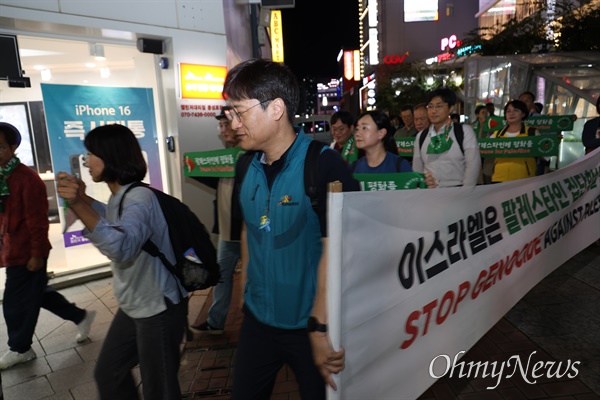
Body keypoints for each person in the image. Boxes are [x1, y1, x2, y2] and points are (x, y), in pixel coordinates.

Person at [222, 58, 358, 400]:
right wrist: (243, 297)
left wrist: (319, 324)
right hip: (258, 321)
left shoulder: (324, 165)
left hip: (310, 328)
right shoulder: (244, 165)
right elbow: (249, 232)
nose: (232, 123)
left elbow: (339, 249)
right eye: (229, 113)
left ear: (276, 109)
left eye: (239, 111)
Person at [57, 124, 187, 400]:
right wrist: (82, 198)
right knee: (109, 373)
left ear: (111, 156)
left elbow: (122, 247)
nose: (86, 160)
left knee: (159, 390)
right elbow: (111, 219)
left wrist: (79, 205)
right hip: (136, 305)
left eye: (91, 153)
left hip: (158, 308)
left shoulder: (140, 197)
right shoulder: (122, 195)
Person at [0, 122, 95, 371]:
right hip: (12, 249)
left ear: (12, 147)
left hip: (26, 252)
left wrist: (36, 254)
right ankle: (80, 316)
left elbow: (37, 221)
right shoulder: (3, 176)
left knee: (14, 302)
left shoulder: (25, 179)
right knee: (37, 293)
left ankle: (20, 348)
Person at [190, 107, 242, 335]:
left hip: (247, 232)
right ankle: (215, 322)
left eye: (226, 124)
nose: (223, 129)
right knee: (221, 278)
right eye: (220, 125)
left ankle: (258, 325)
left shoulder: (247, 154)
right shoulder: (225, 159)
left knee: (254, 279)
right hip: (226, 231)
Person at [413, 87, 481, 188]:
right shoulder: (421, 136)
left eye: (439, 106)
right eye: (430, 107)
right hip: (430, 194)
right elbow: (417, 170)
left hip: (457, 192)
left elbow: (473, 166)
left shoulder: (464, 132)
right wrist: (422, 184)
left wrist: (465, 193)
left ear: (451, 108)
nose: (433, 111)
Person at [490, 100, 537, 183]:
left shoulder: (532, 133)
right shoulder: (497, 134)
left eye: (516, 110)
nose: (511, 114)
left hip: (523, 178)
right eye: (508, 111)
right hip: (499, 178)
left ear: (523, 114)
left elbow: (544, 155)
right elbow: (485, 150)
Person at [473, 104, 493, 184]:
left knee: (487, 175)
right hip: (476, 154)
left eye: (486, 112)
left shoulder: (492, 125)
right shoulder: (472, 126)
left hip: (488, 154)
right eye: (483, 112)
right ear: (477, 115)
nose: (485, 114)